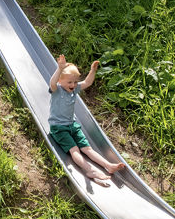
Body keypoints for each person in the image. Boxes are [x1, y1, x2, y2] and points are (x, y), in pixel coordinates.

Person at [48, 55, 125, 186]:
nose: (73, 85)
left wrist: (92, 70)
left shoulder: (74, 89)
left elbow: (87, 83)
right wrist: (59, 68)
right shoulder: (57, 90)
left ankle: (108, 165)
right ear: (61, 81)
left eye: (74, 82)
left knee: (87, 149)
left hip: (72, 125)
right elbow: (52, 83)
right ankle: (90, 170)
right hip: (59, 128)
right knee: (75, 150)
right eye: (69, 82)